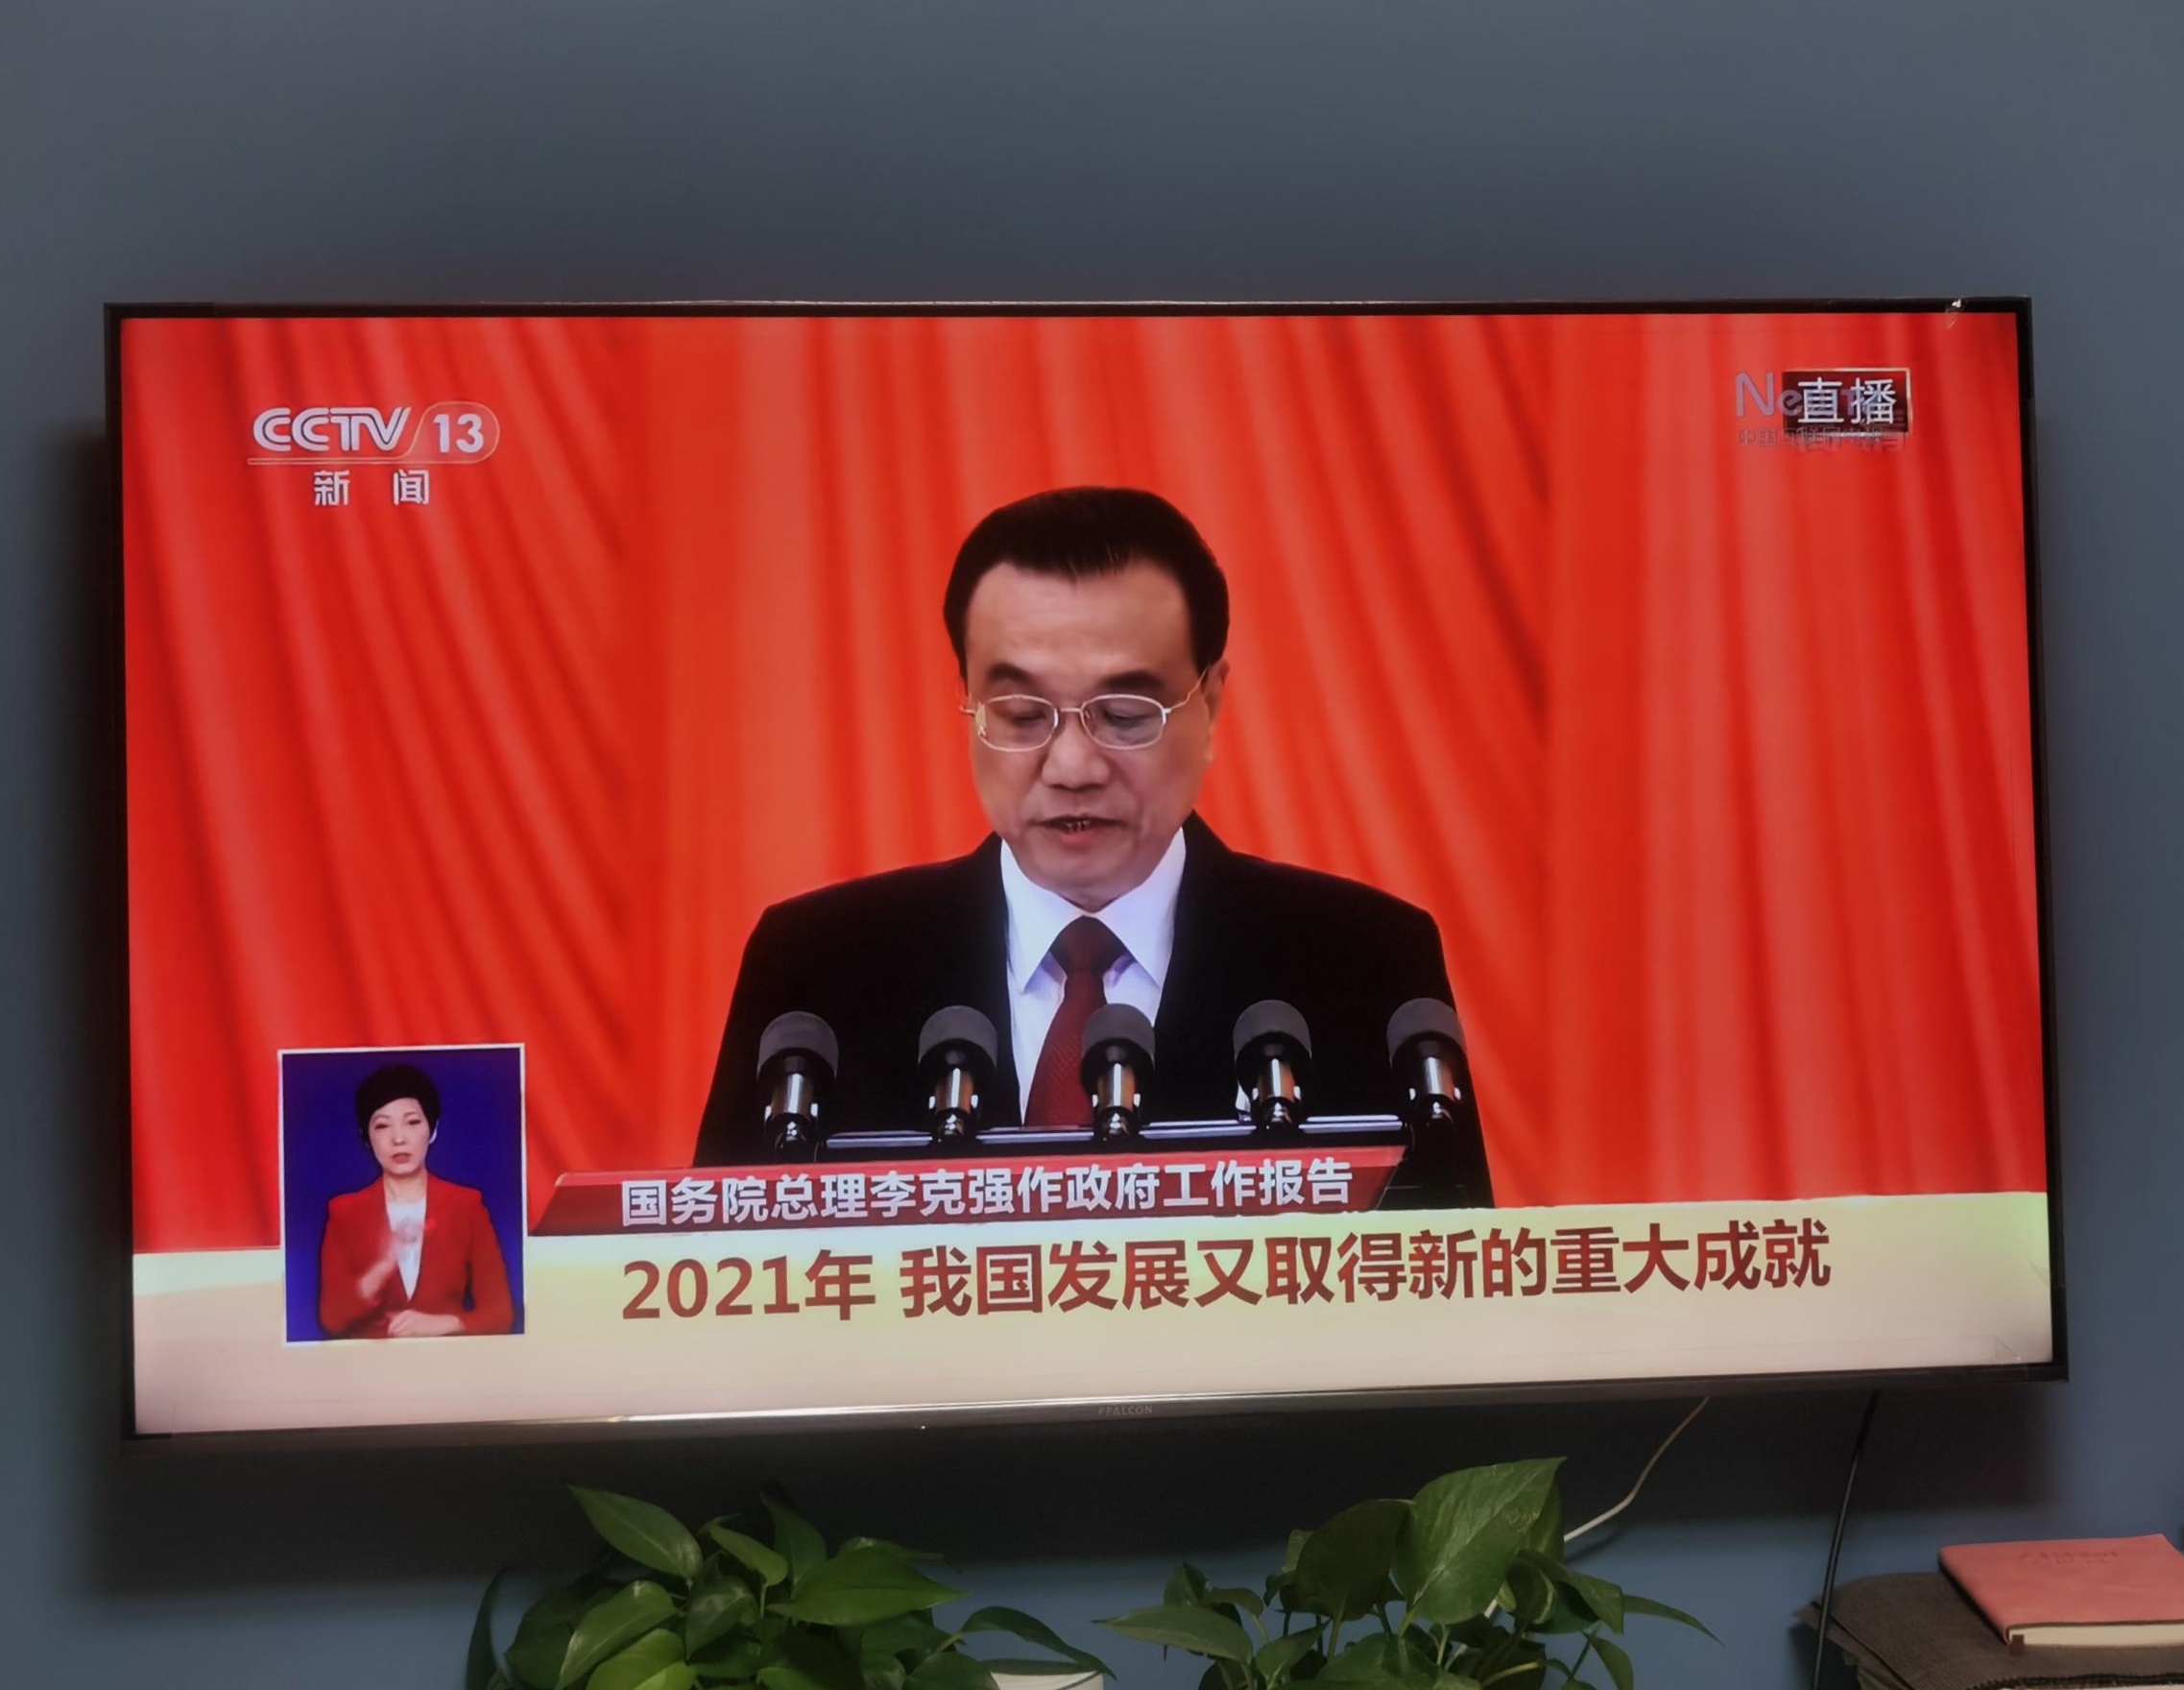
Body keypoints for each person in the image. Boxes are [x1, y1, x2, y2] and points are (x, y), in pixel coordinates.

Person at [694, 486, 1491, 1197]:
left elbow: (1449, 1279)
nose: (1072, 767)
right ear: (967, 703)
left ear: (1210, 703)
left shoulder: (1361, 964)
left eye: (1125, 715)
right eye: (1020, 715)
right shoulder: (819, 971)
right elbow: (719, 1283)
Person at [319, 1062, 516, 1339]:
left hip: (445, 1358)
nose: (398, 1138)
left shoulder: (467, 1206)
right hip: (370, 1361)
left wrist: (445, 1324)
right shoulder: (345, 1212)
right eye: (382, 1126)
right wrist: (381, 1268)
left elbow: (501, 1314)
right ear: (366, 1139)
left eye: (412, 1122)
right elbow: (331, 1318)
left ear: (432, 1131)